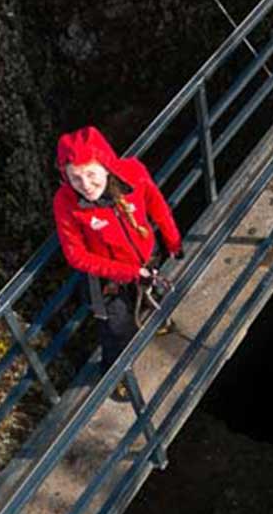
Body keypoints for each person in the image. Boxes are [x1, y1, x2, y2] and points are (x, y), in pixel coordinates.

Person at [52, 125, 182, 375]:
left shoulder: (133, 173)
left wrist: (173, 240)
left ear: (105, 166)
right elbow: (76, 255)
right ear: (66, 178)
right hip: (109, 279)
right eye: (75, 178)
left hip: (146, 260)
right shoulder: (66, 202)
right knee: (117, 331)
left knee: (151, 296)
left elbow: (157, 205)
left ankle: (157, 323)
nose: (86, 185)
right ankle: (117, 376)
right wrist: (129, 272)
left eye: (91, 174)